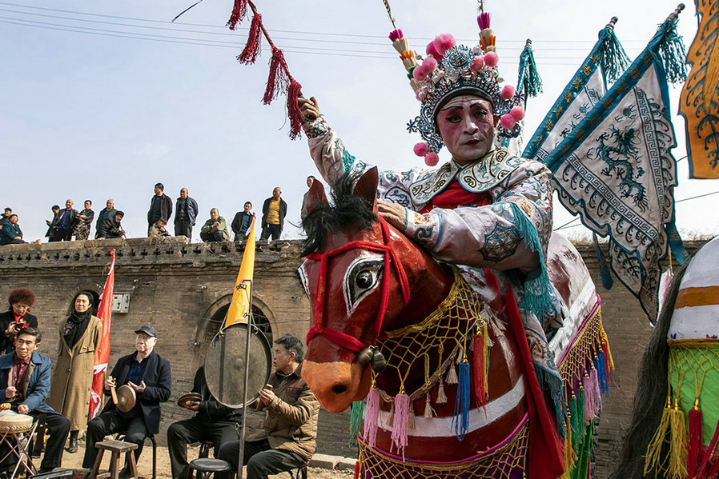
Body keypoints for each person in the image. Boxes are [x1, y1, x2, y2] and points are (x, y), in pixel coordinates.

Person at [298, 32, 564, 476]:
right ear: (437, 130)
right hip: (424, 305)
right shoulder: (418, 187)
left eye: (479, 113)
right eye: (454, 117)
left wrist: (423, 223)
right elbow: (356, 180)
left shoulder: (526, 173)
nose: (470, 127)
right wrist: (320, 131)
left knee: (539, 358)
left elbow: (519, 228)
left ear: (497, 119)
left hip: (502, 299)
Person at [218, 335, 319, 479]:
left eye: (278, 352)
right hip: (270, 439)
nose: (274, 357)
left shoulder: (309, 380)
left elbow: (301, 416)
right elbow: (259, 405)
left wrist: (273, 401)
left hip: (295, 445)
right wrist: (247, 393)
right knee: (227, 450)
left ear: (291, 356)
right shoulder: (274, 377)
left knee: (257, 463)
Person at [82, 325, 171, 474]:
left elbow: (165, 393)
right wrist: (108, 386)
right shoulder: (124, 361)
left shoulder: (162, 364)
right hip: (119, 412)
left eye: (146, 338)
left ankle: (128, 471)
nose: (141, 341)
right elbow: (110, 389)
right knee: (94, 425)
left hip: (141, 415)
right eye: (139, 337)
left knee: (135, 438)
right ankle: (92, 469)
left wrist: (145, 390)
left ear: (154, 341)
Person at [0, 327, 71, 473]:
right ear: (15, 342)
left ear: (36, 346)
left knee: (62, 424)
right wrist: (4, 393)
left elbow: (41, 391)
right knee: (7, 427)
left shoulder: (44, 363)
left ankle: (47, 469)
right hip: (4, 407)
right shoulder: (2, 361)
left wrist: (27, 405)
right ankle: (8, 467)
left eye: (28, 343)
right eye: (20, 341)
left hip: (31, 407)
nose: (23, 347)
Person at [48, 292, 102, 454]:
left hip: (81, 368)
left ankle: (73, 437)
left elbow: (97, 346)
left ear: (90, 305)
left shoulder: (95, 323)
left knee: (76, 403)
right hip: (63, 367)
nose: (80, 304)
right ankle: (55, 436)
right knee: (58, 401)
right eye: (78, 301)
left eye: (83, 301)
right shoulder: (64, 322)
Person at [167, 366, 243, 479]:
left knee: (226, 449)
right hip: (203, 421)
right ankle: (183, 476)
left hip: (227, 423)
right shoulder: (203, 370)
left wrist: (202, 406)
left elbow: (228, 406)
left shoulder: (236, 373)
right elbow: (198, 393)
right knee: (175, 431)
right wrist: (189, 400)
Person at [0, 288, 38, 355]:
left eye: (24, 306)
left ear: (28, 306)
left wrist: (21, 333)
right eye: (18, 306)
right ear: (12, 304)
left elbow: (34, 337)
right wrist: (6, 332)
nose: (20, 309)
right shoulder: (2, 317)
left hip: (23, 353)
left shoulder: (32, 319)